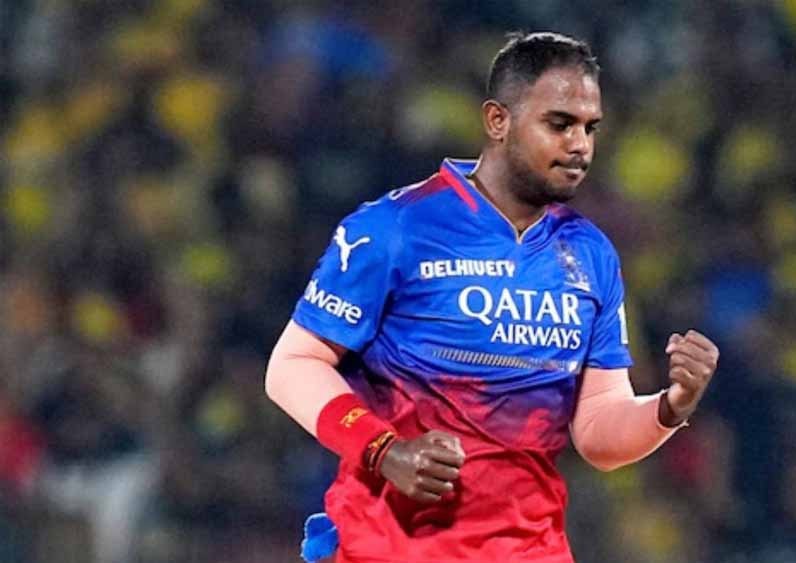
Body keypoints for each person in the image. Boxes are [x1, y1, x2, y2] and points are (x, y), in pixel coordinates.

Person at [266, 31, 719, 563]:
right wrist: (383, 450)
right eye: (559, 124)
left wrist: (669, 406)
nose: (580, 145)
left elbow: (598, 430)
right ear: (498, 121)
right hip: (390, 549)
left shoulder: (591, 253)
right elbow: (292, 366)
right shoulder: (396, 227)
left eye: (590, 127)